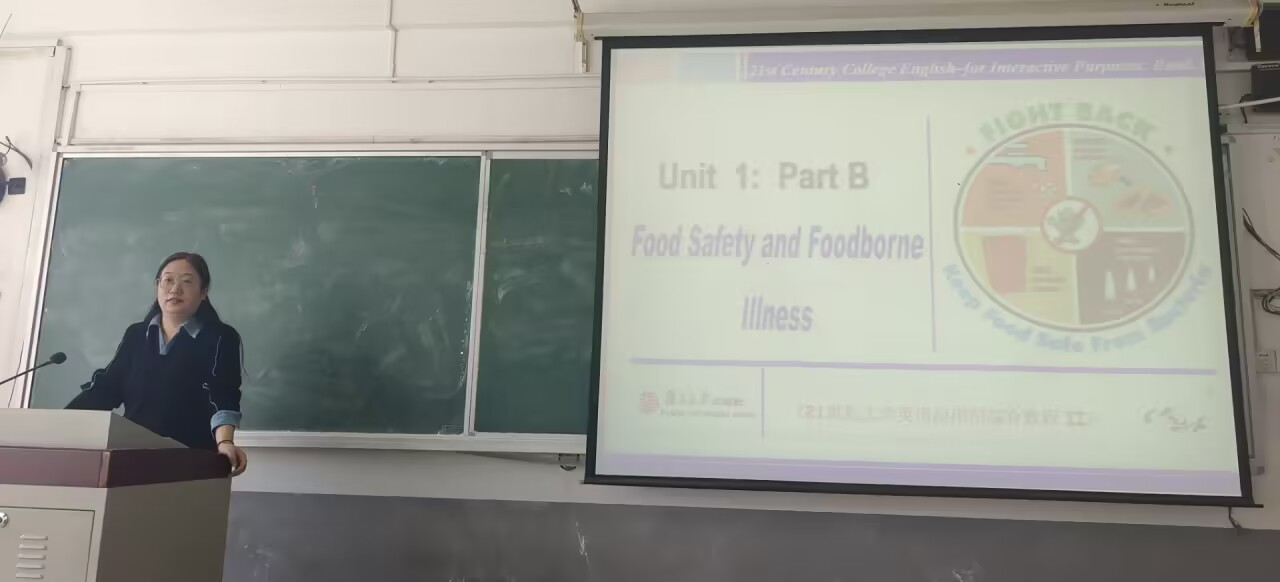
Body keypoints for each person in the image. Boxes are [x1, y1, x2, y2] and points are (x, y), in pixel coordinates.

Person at [67, 252, 248, 476]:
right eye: (168, 280)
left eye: (186, 282)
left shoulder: (221, 337)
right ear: (157, 287)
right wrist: (62, 423)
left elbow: (224, 394)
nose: (175, 289)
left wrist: (225, 442)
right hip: (132, 457)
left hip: (192, 460)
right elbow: (108, 387)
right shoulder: (137, 335)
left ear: (203, 292)